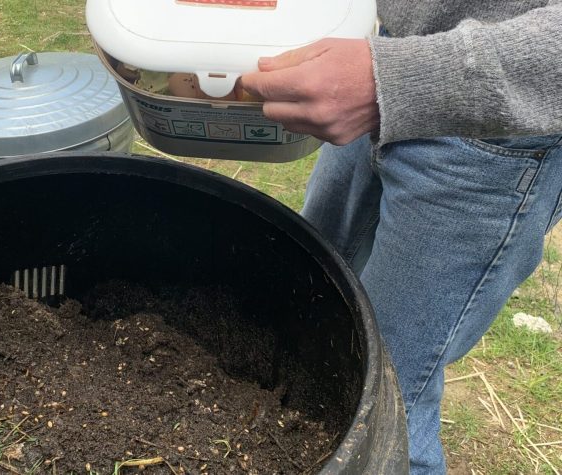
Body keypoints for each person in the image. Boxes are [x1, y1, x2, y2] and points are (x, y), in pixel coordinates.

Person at [240, 2, 562, 474]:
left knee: (392, 402)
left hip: (494, 120)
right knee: (310, 298)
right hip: (381, 52)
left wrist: (396, 79)